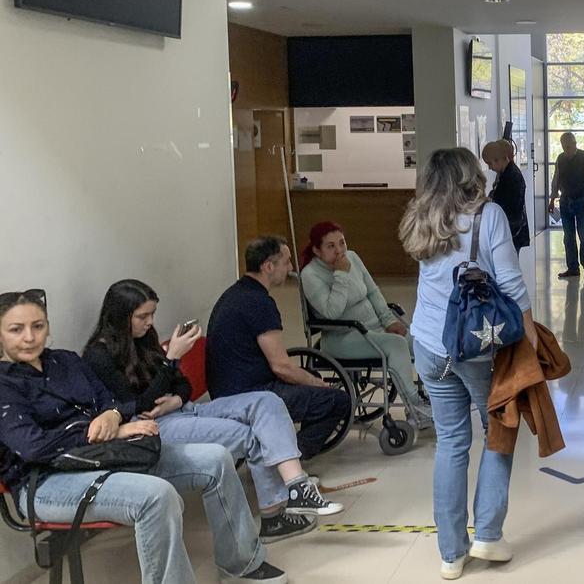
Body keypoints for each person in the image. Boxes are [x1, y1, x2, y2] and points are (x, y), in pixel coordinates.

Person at [0, 290, 288, 583]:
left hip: (104, 455)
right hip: (45, 482)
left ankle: (242, 561)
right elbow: (34, 447)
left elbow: (111, 401)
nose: (29, 337)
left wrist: (112, 416)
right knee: (156, 497)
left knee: (216, 459)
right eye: (16, 329)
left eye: (38, 326)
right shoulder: (4, 383)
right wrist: (106, 430)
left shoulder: (66, 361)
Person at [83, 279, 342, 545]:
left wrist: (176, 398)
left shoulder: (142, 340)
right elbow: (136, 406)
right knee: (250, 435)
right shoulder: (98, 355)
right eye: (142, 316)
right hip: (150, 427)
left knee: (268, 401)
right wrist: (171, 359)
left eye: (152, 314)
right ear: (120, 315)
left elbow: (182, 384)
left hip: (182, 410)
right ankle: (274, 518)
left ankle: (297, 487)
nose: (149, 322)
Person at [399, 147, 536, 580]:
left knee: (451, 443)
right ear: (467, 175)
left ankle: (451, 553)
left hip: (429, 343)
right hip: (476, 345)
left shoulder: (421, 216)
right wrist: (531, 337)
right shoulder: (487, 215)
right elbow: (511, 281)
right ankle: (489, 534)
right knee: (499, 428)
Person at [206, 237, 352, 460]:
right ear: (268, 267)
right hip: (248, 394)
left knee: (310, 378)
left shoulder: (236, 293)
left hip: (229, 386)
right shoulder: (259, 304)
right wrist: (318, 384)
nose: (291, 268)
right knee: (337, 400)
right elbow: (281, 367)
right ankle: (289, 459)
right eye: (287, 262)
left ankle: (282, 445)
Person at [299, 222, 433, 425]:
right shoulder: (310, 275)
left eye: (342, 243)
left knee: (422, 342)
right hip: (342, 336)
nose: (339, 250)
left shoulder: (352, 256)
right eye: (331, 246)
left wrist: (389, 320)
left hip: (373, 329)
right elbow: (331, 313)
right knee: (395, 345)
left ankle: (434, 397)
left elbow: (372, 291)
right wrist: (341, 274)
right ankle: (414, 404)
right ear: (317, 250)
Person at [548, 132, 584, 279]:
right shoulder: (560, 158)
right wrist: (552, 200)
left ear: (575, 143)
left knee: (583, 235)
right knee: (568, 236)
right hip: (565, 200)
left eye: (570, 145)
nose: (567, 148)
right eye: (565, 146)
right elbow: (556, 179)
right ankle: (573, 268)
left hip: (581, 200)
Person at [482, 141, 530, 254]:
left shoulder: (511, 177)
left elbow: (507, 206)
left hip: (512, 230)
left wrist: (490, 201)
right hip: (511, 229)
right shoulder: (505, 174)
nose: (489, 168)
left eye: (490, 163)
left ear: (499, 160)